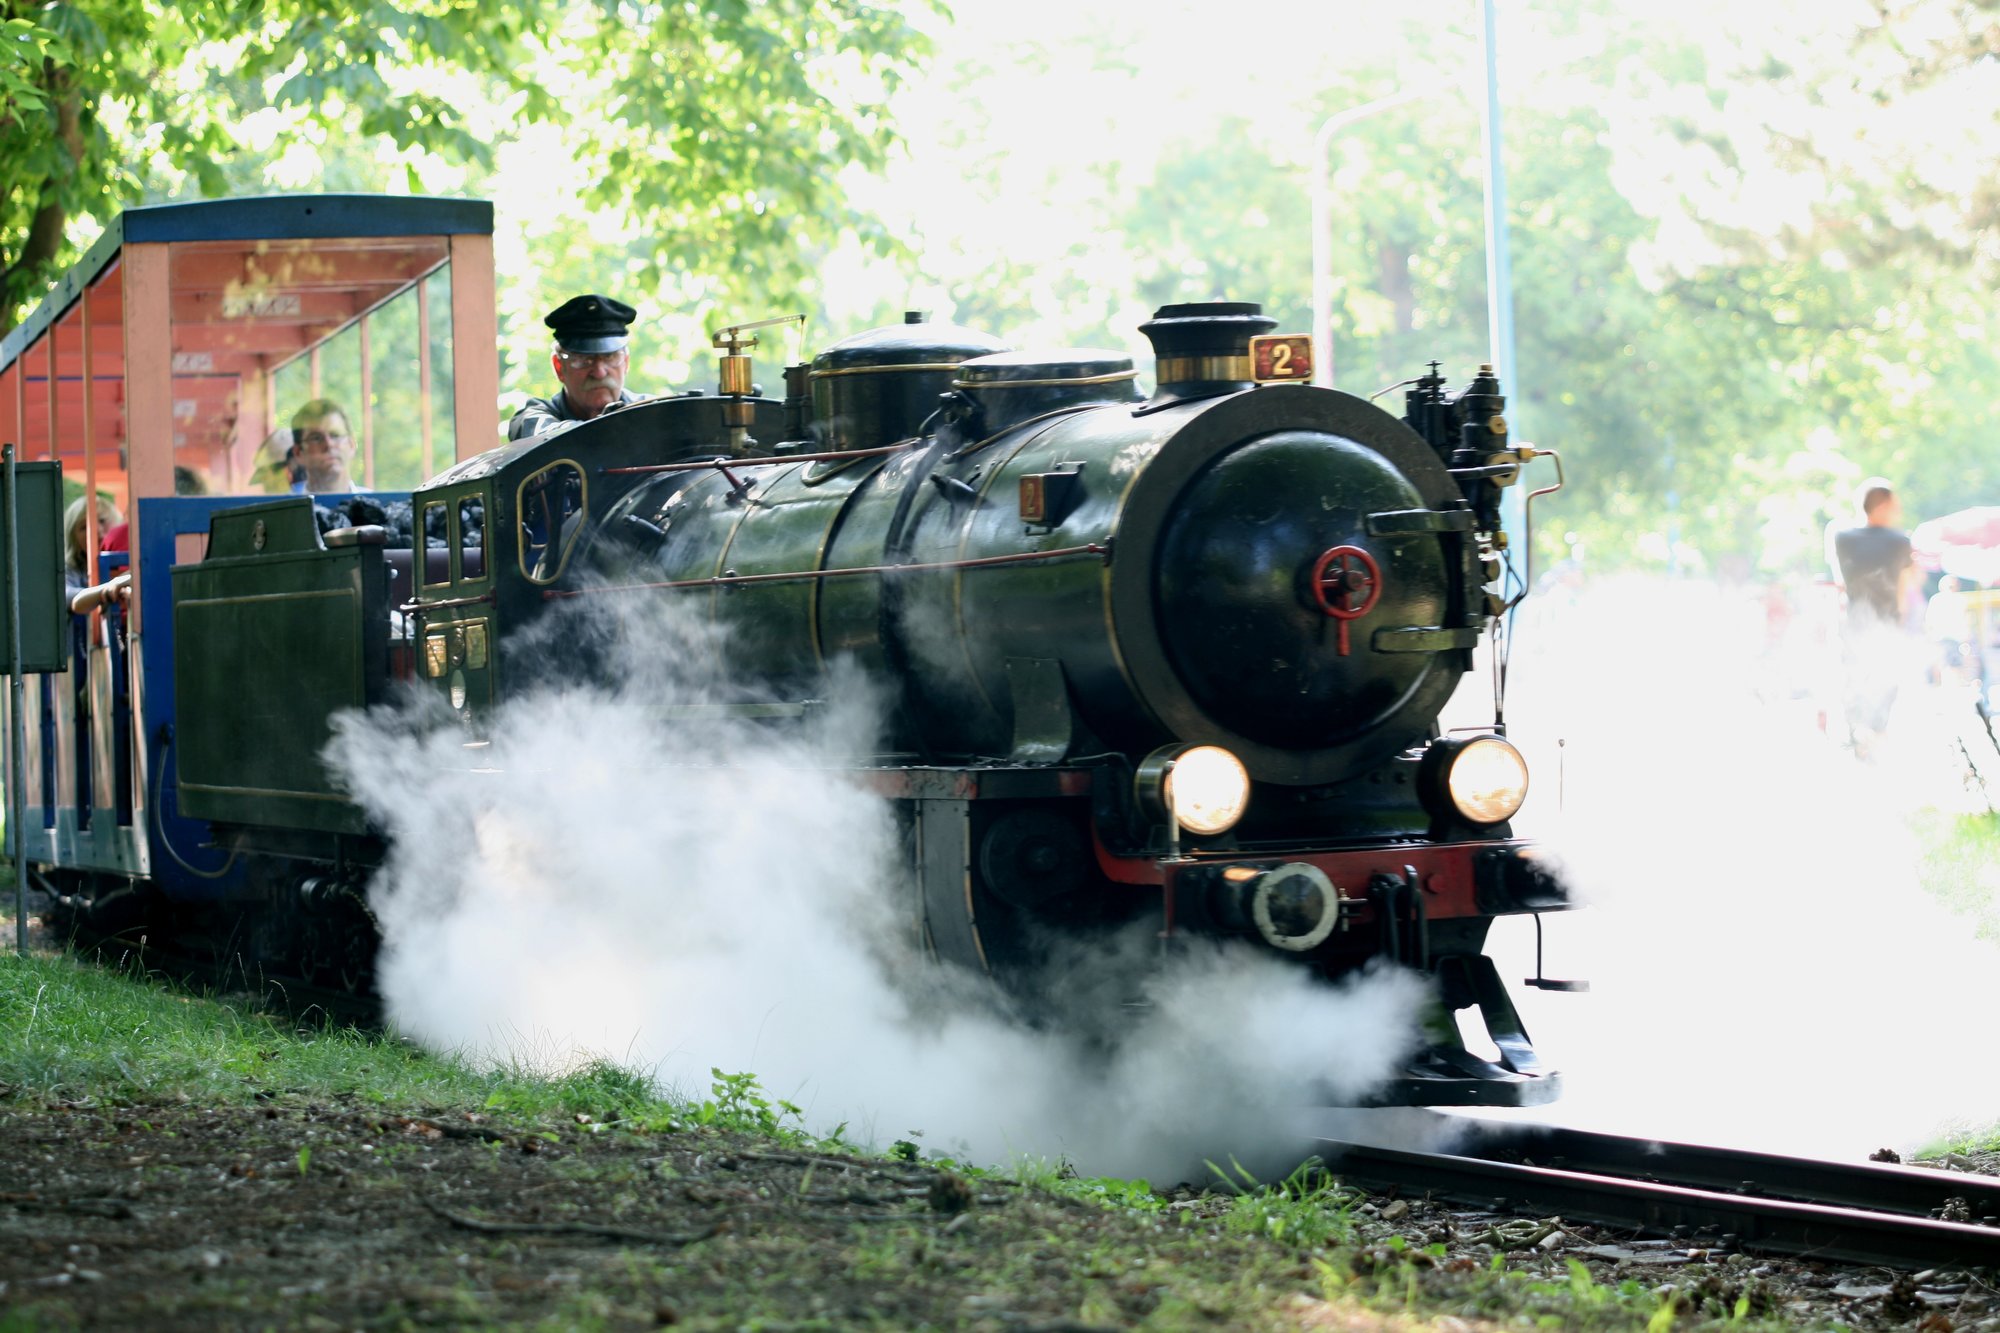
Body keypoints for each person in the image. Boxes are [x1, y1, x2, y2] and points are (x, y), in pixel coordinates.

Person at [1828, 478, 1916, 752]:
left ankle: (1856, 735)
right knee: (1886, 680)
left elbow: (1839, 581)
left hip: (1853, 621)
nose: (1898, 511)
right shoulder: (1900, 541)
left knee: (1854, 678)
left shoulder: (1841, 537)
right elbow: (1905, 586)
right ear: (1884, 505)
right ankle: (1877, 733)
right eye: (1894, 505)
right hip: (1887, 622)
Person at [508, 294, 644, 441]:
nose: (599, 372)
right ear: (559, 366)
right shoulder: (533, 418)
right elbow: (537, 434)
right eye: (584, 360)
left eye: (610, 357)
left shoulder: (653, 411)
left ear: (626, 362)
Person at [64, 493, 128, 615]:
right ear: (73, 537)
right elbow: (65, 595)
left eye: (102, 520)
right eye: (84, 526)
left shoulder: (128, 560)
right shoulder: (73, 567)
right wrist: (108, 589)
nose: (96, 529)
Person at [290, 398, 357, 494]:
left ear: (351, 445)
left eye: (335, 435)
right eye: (316, 438)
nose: (329, 444)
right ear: (298, 453)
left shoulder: (379, 507)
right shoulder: (284, 508)